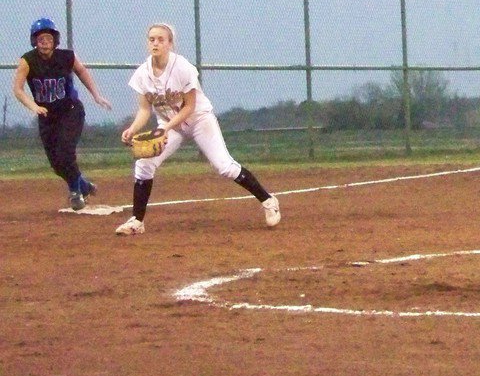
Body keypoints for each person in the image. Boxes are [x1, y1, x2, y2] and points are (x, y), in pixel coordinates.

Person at [114, 22, 281, 235]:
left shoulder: (182, 67)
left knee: (224, 166)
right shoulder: (142, 74)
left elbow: (190, 107)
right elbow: (144, 110)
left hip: (199, 119)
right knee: (144, 164)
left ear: (170, 44)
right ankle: (137, 221)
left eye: (161, 39)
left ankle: (268, 200)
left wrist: (166, 128)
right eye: (152, 39)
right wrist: (132, 129)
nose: (155, 43)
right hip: (169, 126)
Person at [11, 17, 112, 210]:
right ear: (34, 41)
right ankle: (84, 185)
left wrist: (96, 96)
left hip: (70, 112)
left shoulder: (67, 56)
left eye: (48, 38)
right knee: (57, 165)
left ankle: (76, 192)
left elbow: (81, 72)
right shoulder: (28, 60)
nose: (45, 43)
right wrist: (33, 106)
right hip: (47, 116)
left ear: (55, 40)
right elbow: (18, 89)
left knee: (66, 153)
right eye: (40, 39)